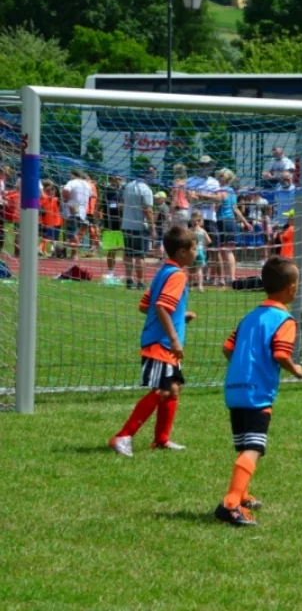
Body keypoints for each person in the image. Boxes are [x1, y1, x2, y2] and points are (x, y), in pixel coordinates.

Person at [215, 256, 302, 526]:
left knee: (244, 444)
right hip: (257, 393)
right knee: (254, 447)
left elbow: (227, 347)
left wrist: (244, 366)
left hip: (234, 389)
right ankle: (230, 504)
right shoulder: (284, 320)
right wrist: (295, 369)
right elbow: (280, 354)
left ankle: (241, 494)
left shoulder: (250, 316)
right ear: (290, 288)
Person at [108, 226, 198, 457]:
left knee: (173, 389)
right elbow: (159, 307)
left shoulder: (163, 271)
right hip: (162, 343)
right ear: (181, 252)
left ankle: (161, 440)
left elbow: (145, 305)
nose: (197, 253)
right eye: (194, 248)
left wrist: (180, 315)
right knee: (163, 391)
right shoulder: (177, 275)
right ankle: (123, 436)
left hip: (161, 341)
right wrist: (175, 339)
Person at [187, 156, 224, 284]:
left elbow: (219, 199)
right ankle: (194, 279)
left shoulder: (214, 182)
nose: (205, 167)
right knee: (192, 248)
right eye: (203, 165)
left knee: (215, 250)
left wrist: (201, 195)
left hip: (209, 218)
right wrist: (210, 197)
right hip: (194, 219)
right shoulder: (191, 180)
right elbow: (191, 198)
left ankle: (220, 279)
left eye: (208, 165)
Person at [121, 166, 156, 290]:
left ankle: (129, 280)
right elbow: (147, 209)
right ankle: (140, 282)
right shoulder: (146, 190)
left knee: (129, 254)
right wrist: (152, 227)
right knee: (140, 256)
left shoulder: (128, 186)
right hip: (140, 226)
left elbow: (123, 204)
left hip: (126, 225)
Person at [62, 169, 92, 260]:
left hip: (73, 209)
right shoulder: (86, 184)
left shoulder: (72, 182)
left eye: (70, 175)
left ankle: (76, 251)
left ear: (73, 175)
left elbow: (65, 190)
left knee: (71, 233)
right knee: (75, 232)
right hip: (82, 211)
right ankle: (74, 254)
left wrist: (66, 199)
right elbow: (92, 195)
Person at [100, 176, 124, 276]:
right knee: (111, 249)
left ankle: (127, 273)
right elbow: (104, 205)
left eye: (120, 179)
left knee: (125, 249)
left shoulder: (124, 190)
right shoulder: (107, 190)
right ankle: (110, 272)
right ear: (111, 180)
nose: (118, 181)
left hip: (123, 224)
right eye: (116, 179)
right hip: (110, 224)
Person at [189, 211, 211, 292]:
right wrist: (203, 244)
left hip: (192, 251)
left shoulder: (189, 231)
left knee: (191, 269)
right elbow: (209, 241)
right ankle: (200, 286)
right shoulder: (203, 231)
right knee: (199, 270)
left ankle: (190, 286)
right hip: (201, 250)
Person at [39, 180, 62, 257]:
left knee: (53, 238)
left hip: (56, 222)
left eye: (52, 190)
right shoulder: (44, 199)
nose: (50, 191)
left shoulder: (56, 199)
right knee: (47, 237)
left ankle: (53, 251)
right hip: (47, 222)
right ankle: (42, 249)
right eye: (48, 190)